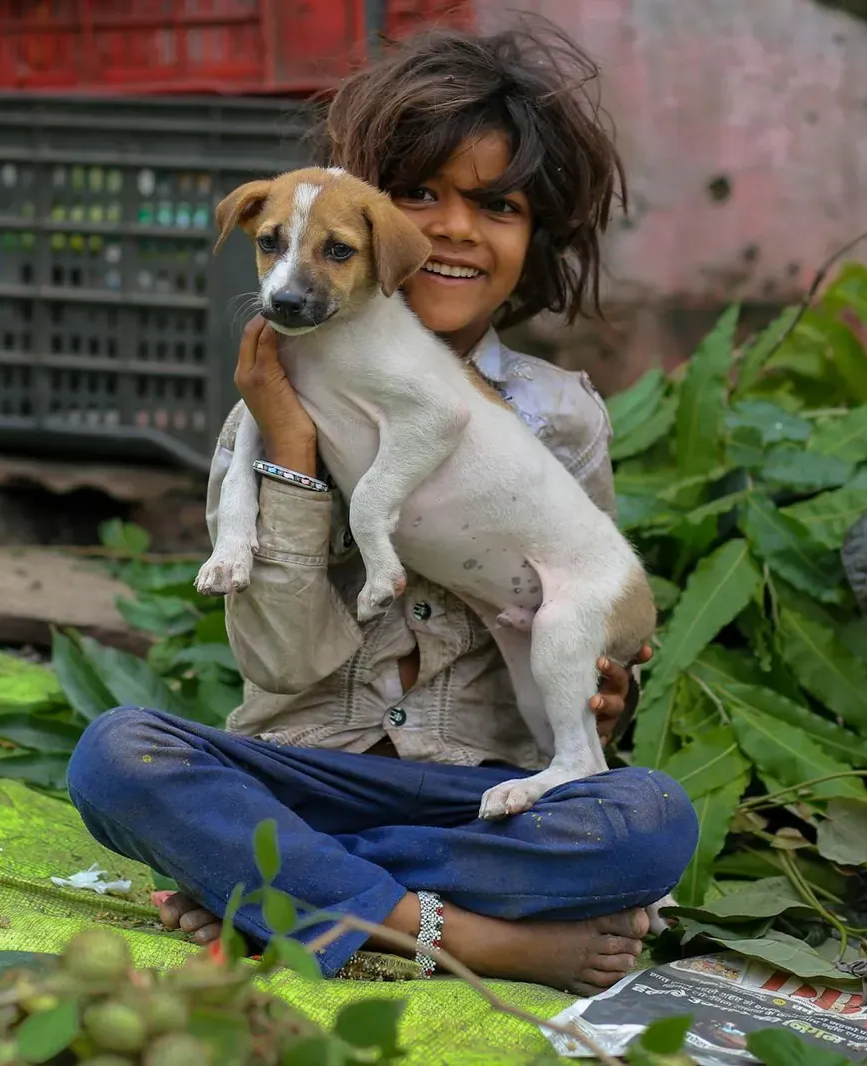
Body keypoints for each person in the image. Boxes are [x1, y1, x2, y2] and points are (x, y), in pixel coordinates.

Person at [67, 22, 698, 996]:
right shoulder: (280, 392)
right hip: (309, 772)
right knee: (119, 755)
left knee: (652, 818)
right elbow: (281, 661)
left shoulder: (558, 420)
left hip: (469, 792)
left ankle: (273, 885)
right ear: (355, 218)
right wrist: (290, 451)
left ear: (538, 237)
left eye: (495, 204)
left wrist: (605, 692)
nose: (450, 228)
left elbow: (580, 652)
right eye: (417, 195)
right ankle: (468, 936)